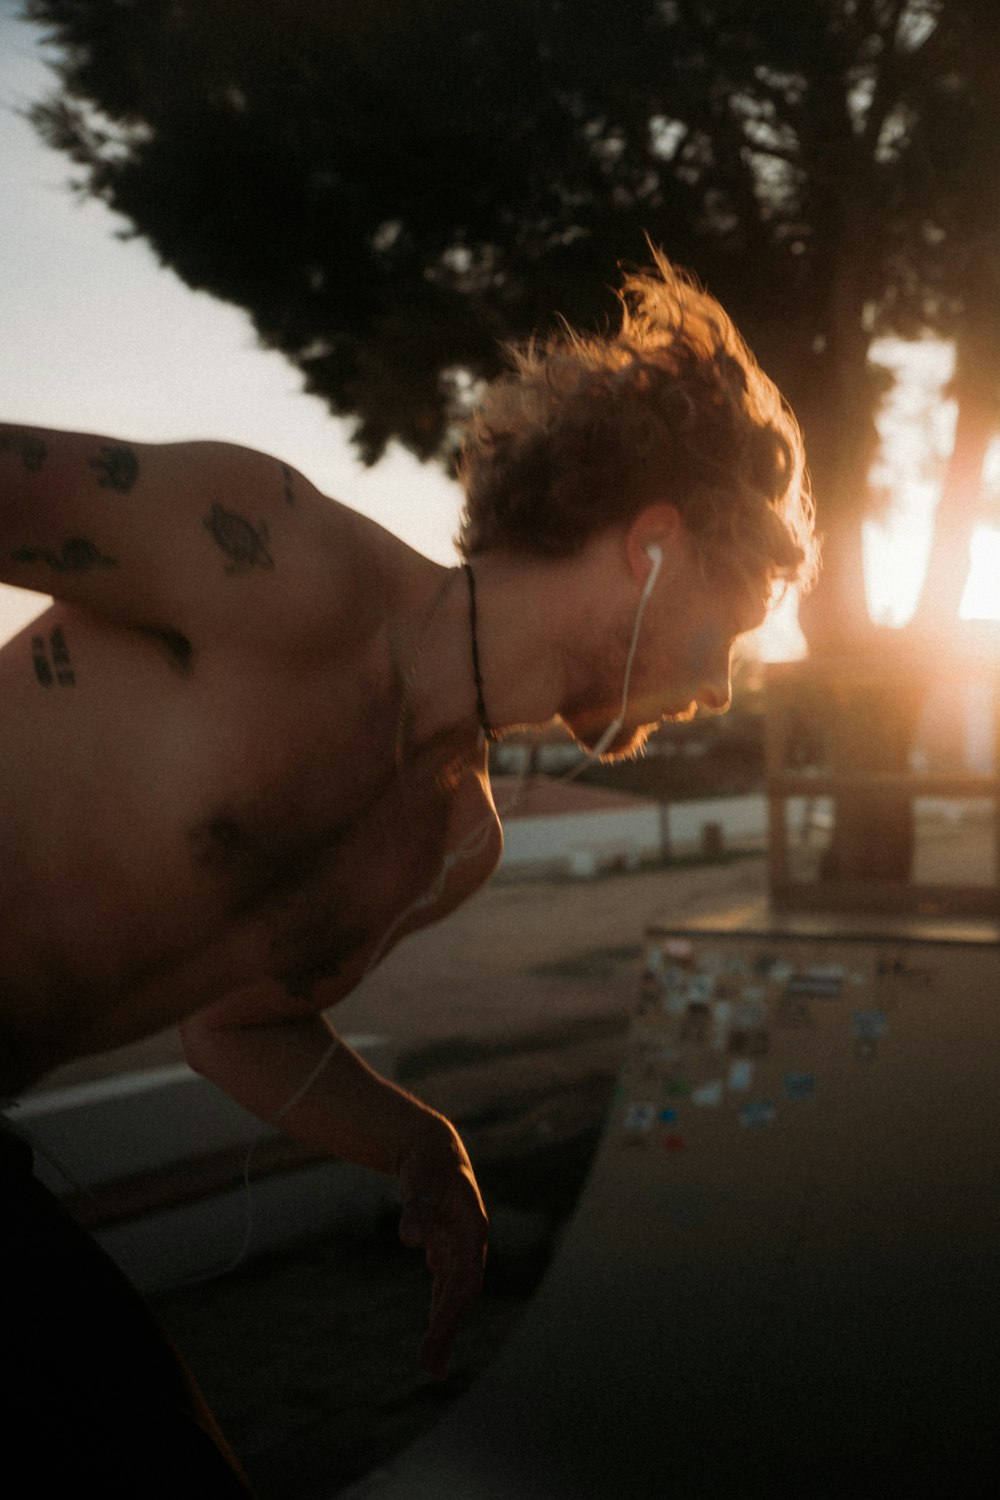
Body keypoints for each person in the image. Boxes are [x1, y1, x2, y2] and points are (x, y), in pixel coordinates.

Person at [0, 249, 817, 1487]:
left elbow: (232, 1029)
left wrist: (421, 1146)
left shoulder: (446, 847)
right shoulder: (269, 556)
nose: (717, 685)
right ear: (654, 545)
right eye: (733, 625)